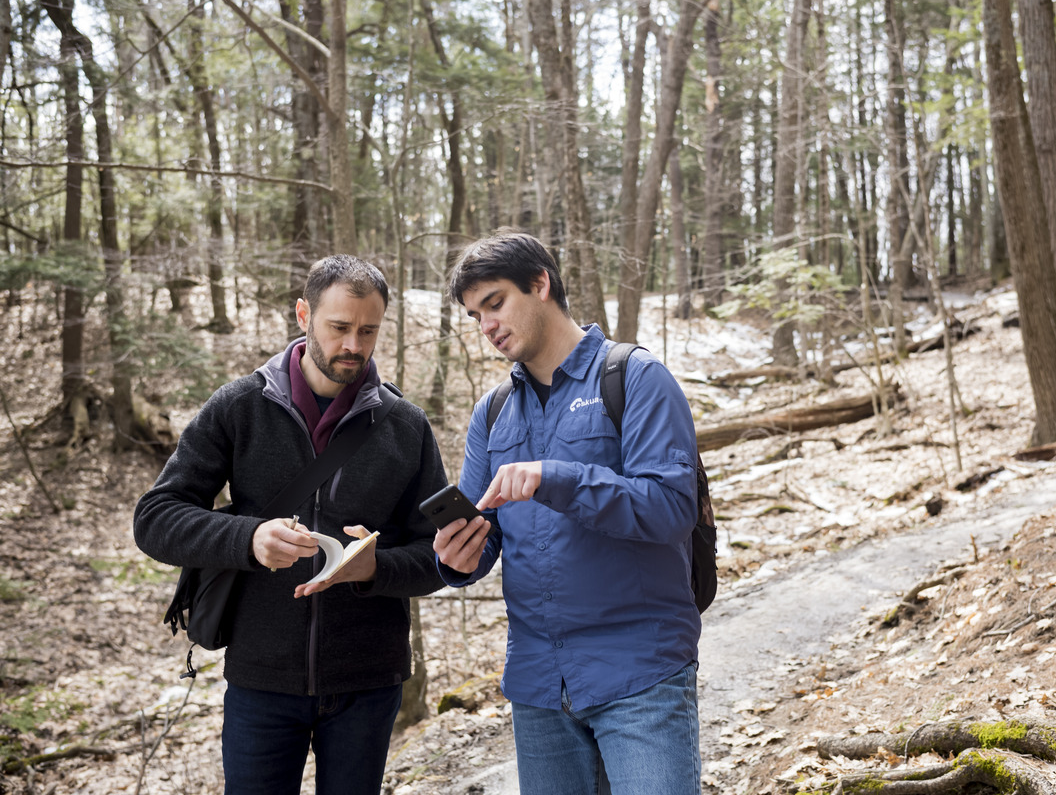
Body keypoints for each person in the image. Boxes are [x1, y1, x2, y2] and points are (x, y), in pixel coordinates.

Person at [134, 255, 448, 795]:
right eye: (340, 327)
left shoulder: (406, 426)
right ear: (303, 314)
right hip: (261, 678)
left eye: (368, 331)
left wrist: (377, 570)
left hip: (368, 681)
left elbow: (438, 556)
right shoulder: (238, 408)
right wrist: (247, 538)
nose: (354, 344)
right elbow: (155, 519)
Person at [433, 231, 702, 794]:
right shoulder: (493, 413)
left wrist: (557, 478)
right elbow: (483, 537)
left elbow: (672, 509)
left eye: (496, 303)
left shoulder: (634, 378)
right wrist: (459, 558)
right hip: (537, 687)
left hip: (640, 676)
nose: (486, 326)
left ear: (541, 283)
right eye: (475, 314)